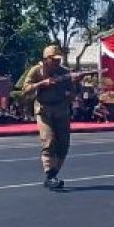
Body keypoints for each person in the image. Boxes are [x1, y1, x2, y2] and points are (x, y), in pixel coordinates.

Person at [21, 45, 77, 190]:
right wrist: (42, 84)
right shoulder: (36, 71)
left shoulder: (64, 72)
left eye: (59, 60)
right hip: (44, 110)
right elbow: (25, 89)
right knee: (48, 140)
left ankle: (54, 173)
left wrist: (74, 86)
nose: (57, 63)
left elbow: (73, 93)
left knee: (64, 144)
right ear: (46, 60)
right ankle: (50, 175)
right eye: (54, 60)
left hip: (61, 110)